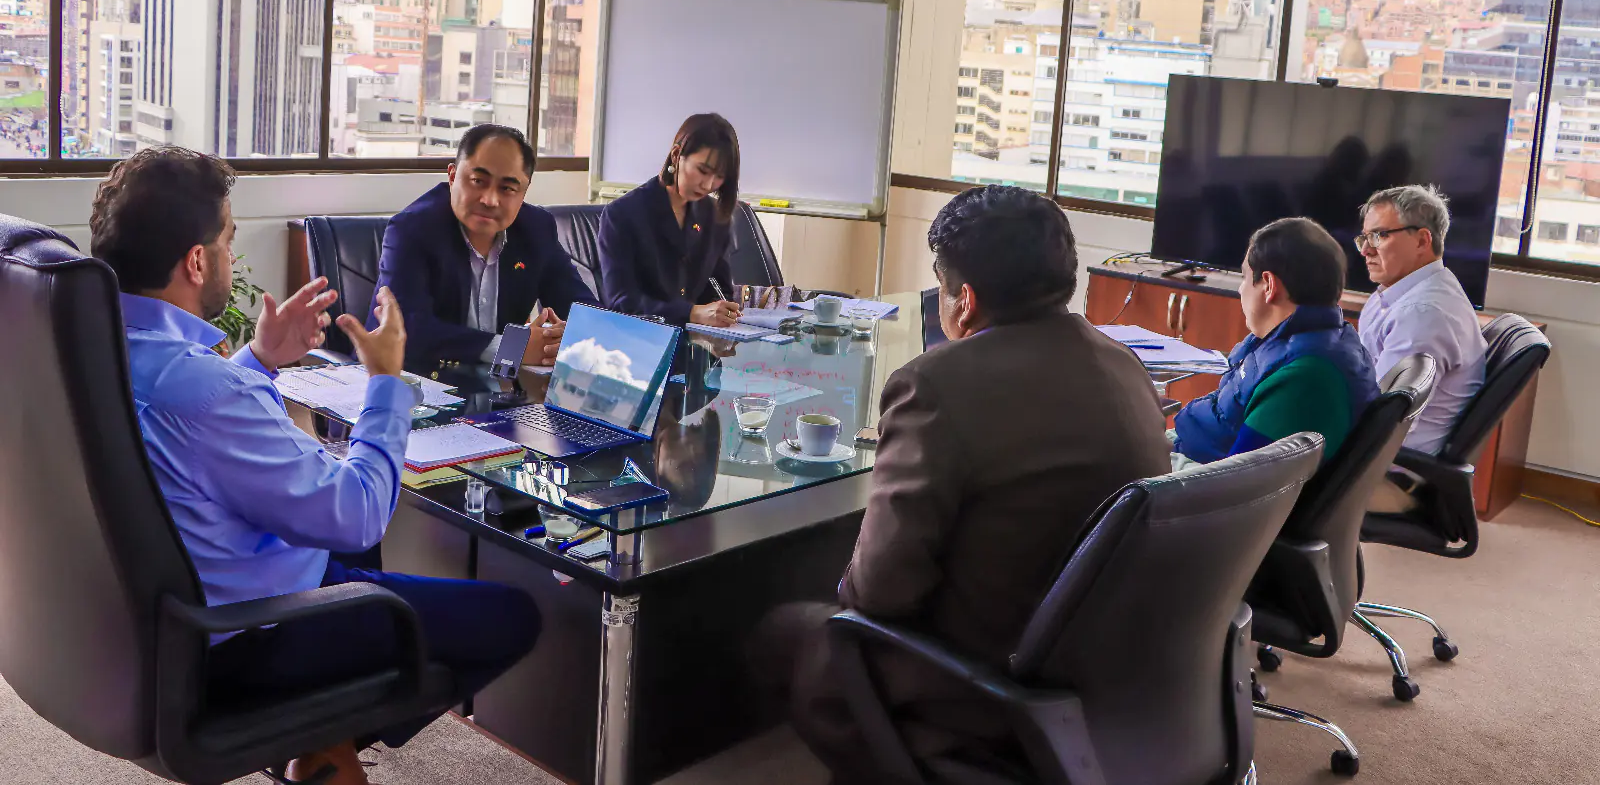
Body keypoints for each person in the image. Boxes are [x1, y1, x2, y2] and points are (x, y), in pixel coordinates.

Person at [90, 148, 539, 785]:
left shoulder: (93, 349)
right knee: (512, 617)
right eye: (227, 240)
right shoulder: (208, 392)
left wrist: (260, 359)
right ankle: (319, 739)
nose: (230, 257)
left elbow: (184, 424)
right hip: (244, 641)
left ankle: (324, 749)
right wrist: (387, 383)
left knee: (362, 564)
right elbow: (358, 515)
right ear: (196, 261)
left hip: (153, 627)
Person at [759, 186, 1170, 782]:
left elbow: (881, 595)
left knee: (786, 630)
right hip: (1106, 670)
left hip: (989, 683)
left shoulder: (935, 384)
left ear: (964, 300)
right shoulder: (1121, 362)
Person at [371, 123, 595, 367]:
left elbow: (584, 309)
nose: (489, 200)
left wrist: (568, 336)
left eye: (507, 188)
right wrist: (512, 348)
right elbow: (408, 332)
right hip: (405, 385)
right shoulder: (412, 229)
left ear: (524, 192)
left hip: (492, 391)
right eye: (478, 181)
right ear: (453, 176)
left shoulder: (536, 228)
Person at [1173, 217, 1379, 468]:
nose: (1240, 290)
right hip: (1194, 450)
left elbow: (1236, 484)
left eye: (1245, 278)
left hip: (1197, 482)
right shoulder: (1311, 338)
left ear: (1269, 285)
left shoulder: (1304, 375)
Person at [1357, 185, 1487, 511]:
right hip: (1381, 459)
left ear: (1422, 241)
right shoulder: (1401, 293)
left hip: (1390, 474)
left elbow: (1380, 420)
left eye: (1380, 236)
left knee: (1256, 490)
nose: (1366, 250)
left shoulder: (1423, 312)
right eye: (1364, 238)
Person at [597, 113, 742, 328]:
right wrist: (691, 313)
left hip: (699, 346)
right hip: (641, 341)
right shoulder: (623, 214)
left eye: (720, 176)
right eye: (702, 170)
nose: (708, 184)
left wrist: (721, 311)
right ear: (676, 155)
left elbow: (719, 289)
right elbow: (622, 303)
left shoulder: (715, 216)